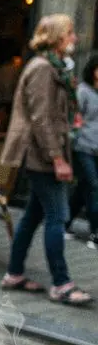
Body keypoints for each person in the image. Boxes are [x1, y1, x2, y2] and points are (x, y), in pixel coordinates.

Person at [0, 14, 91, 306]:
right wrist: (57, 159)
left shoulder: (53, 68)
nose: (75, 38)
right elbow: (41, 119)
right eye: (70, 33)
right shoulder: (42, 69)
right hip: (41, 155)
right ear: (56, 37)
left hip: (43, 154)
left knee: (32, 216)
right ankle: (61, 284)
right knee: (58, 216)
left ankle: (14, 273)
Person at [69, 54, 98, 245]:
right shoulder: (83, 91)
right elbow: (75, 119)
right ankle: (95, 233)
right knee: (94, 186)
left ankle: (64, 223)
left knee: (83, 188)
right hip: (83, 147)